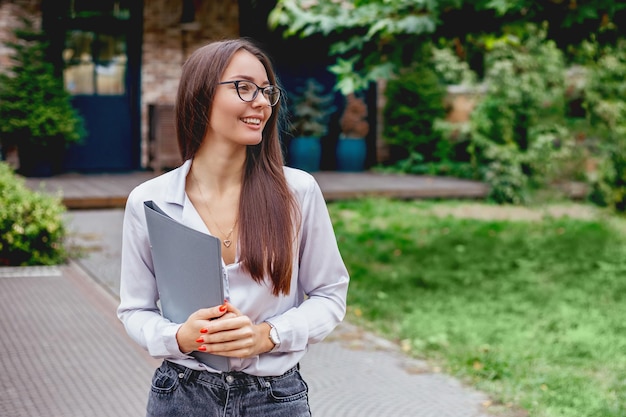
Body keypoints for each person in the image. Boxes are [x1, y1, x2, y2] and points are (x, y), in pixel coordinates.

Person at [117, 38, 349, 417]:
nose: (260, 102)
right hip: (181, 395)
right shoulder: (149, 201)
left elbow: (330, 295)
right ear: (201, 95)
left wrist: (267, 336)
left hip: (275, 397)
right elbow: (135, 310)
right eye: (243, 87)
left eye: (266, 91)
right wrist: (178, 336)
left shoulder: (297, 192)